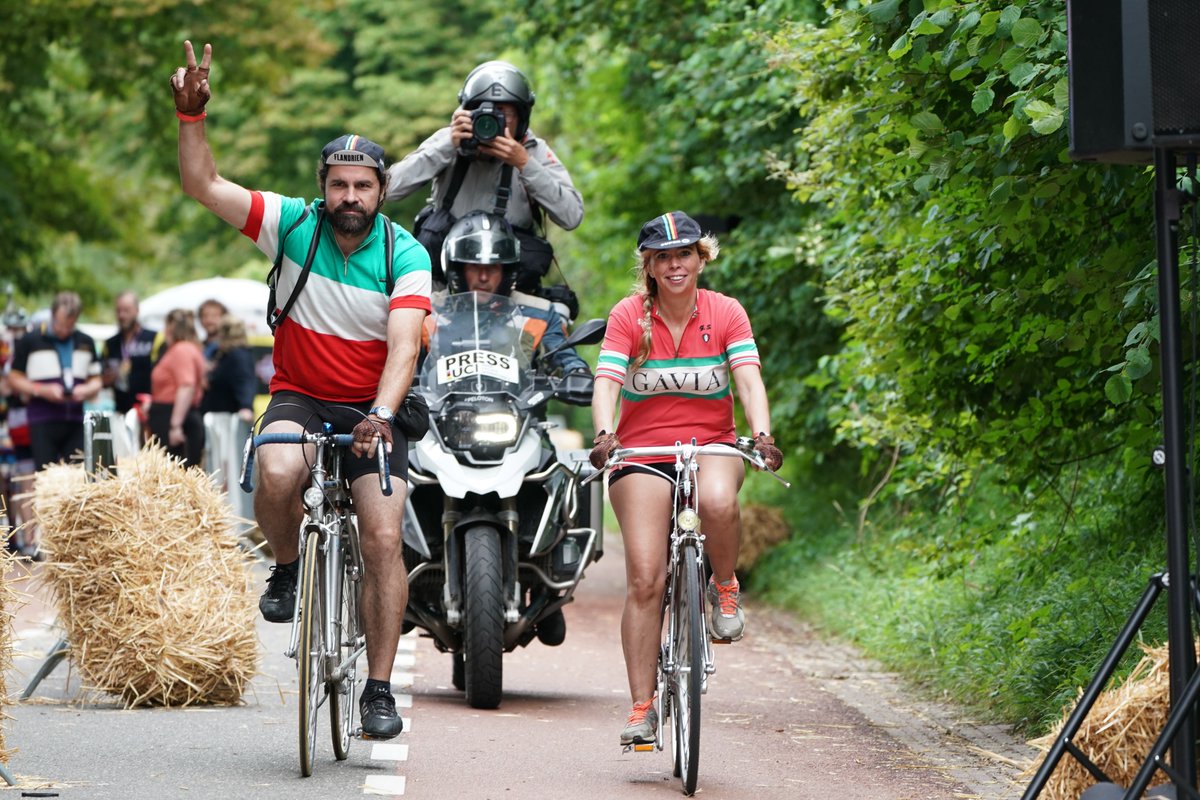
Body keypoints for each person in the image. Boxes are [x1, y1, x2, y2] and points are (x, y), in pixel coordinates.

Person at [171, 40, 431, 740]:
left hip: (375, 407)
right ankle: (287, 569)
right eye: (338, 185)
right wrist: (190, 117)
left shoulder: (405, 252)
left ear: (382, 191)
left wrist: (380, 415)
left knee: (381, 537)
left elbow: (406, 345)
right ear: (323, 186)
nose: (350, 198)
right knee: (277, 469)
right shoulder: (292, 226)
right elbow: (204, 187)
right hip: (300, 396)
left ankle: (377, 691)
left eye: (363, 187)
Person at [588, 211, 784, 746]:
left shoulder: (725, 312)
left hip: (712, 444)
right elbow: (606, 382)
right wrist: (606, 433)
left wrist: (761, 433)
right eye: (663, 257)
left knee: (719, 502)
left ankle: (724, 590)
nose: (675, 265)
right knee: (646, 579)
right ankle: (642, 708)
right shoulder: (630, 315)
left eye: (685, 255)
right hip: (642, 452)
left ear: (702, 258)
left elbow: (748, 379)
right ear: (649, 266)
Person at [386, 60, 583, 284]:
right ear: (465, 112)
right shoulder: (449, 140)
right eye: (481, 113)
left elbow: (572, 215)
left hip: (511, 287)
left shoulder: (533, 151)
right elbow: (387, 189)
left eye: (503, 114)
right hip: (443, 285)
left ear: (522, 119)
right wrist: (448, 145)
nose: (491, 123)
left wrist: (524, 164)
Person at [434, 211, 591, 379]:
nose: (484, 277)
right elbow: (405, 354)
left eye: (493, 268)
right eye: (474, 267)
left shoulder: (539, 314)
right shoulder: (429, 313)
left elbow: (562, 354)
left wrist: (577, 372)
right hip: (438, 404)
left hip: (518, 404)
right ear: (457, 269)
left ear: (507, 271)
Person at [7, 291, 104, 558]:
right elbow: (14, 378)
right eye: (61, 324)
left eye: (69, 325)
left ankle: (72, 541)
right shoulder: (30, 340)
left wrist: (86, 390)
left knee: (75, 477)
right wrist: (42, 390)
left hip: (73, 417)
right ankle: (43, 541)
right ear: (52, 316)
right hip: (43, 418)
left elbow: (97, 379)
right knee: (44, 477)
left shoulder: (84, 341)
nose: (64, 330)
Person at [148, 308, 207, 467]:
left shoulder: (181, 350)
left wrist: (175, 426)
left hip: (176, 419)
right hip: (173, 416)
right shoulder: (187, 348)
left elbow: (187, 386)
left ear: (170, 328)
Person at [101, 291, 160, 415]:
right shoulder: (110, 344)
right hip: (120, 410)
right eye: (118, 311)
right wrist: (108, 378)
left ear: (137, 310)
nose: (122, 315)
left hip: (149, 409)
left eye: (126, 310)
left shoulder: (154, 338)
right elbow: (100, 377)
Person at [200, 314, 257, 425]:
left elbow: (245, 379)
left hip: (228, 418)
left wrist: (246, 406)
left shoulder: (237, 354)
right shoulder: (226, 354)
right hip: (220, 416)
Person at [197, 298, 228, 363]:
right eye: (205, 316)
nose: (209, 320)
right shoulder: (198, 346)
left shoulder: (229, 347)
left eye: (214, 316)